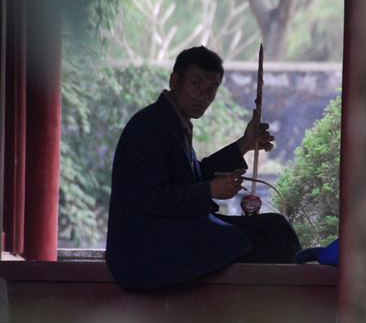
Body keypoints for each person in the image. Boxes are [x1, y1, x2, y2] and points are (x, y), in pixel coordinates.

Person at [106, 46, 301, 289]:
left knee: (274, 227)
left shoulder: (173, 123)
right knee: (269, 239)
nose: (203, 96)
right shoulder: (150, 126)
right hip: (148, 249)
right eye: (195, 84)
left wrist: (245, 144)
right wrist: (209, 190)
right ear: (174, 80)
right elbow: (150, 198)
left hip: (171, 233)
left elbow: (192, 176)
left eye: (211, 89)